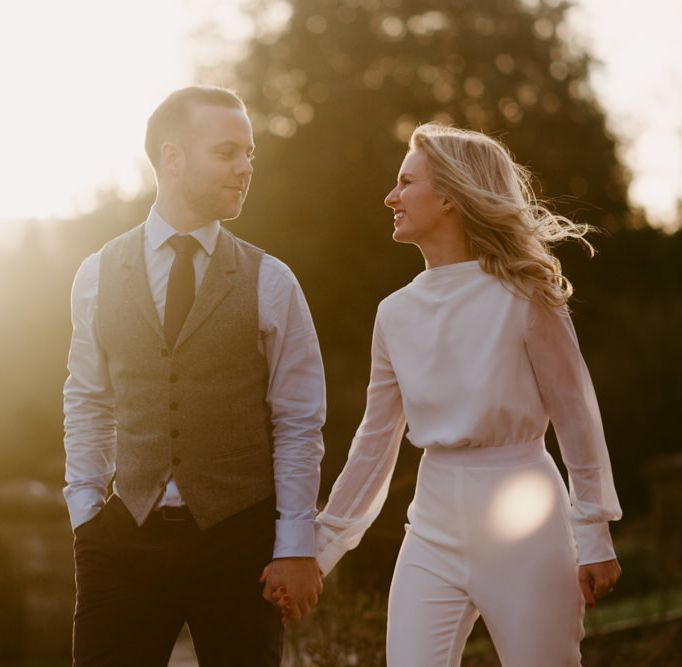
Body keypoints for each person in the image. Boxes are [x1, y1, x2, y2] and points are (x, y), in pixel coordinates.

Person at [304, 123, 622, 666]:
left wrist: (592, 532)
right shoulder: (393, 313)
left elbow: (577, 417)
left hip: (525, 517)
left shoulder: (525, 294)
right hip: (431, 521)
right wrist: (319, 547)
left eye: (406, 182)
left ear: (450, 195)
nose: (391, 197)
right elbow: (375, 443)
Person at [63, 85, 325, 666]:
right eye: (228, 151)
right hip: (124, 539)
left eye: (250, 154)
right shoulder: (97, 273)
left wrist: (295, 542)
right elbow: (88, 398)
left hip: (241, 545)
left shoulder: (271, 281)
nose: (246, 168)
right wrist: (86, 512)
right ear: (172, 158)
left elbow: (299, 421)